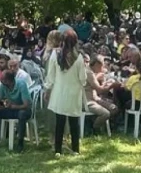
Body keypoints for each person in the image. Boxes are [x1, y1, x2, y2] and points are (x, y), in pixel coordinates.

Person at [44, 29, 87, 157]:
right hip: (74, 94)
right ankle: (75, 150)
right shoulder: (79, 57)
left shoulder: (55, 54)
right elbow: (83, 79)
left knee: (60, 122)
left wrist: (48, 89)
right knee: (74, 122)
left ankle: (58, 150)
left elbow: (50, 76)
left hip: (59, 92)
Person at [0, 70, 32, 151]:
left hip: (23, 110)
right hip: (10, 109)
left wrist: (14, 106)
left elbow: (26, 105)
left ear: (8, 81)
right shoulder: (3, 86)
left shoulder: (21, 84)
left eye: (3, 80)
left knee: (22, 114)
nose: (1, 81)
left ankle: (20, 143)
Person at [85, 55, 119, 134]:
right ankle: (94, 129)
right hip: (88, 100)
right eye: (102, 65)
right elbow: (100, 91)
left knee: (114, 108)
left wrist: (105, 83)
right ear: (97, 64)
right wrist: (111, 86)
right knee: (105, 113)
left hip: (95, 98)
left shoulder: (91, 72)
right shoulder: (89, 73)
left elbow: (98, 87)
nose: (103, 68)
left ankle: (99, 125)